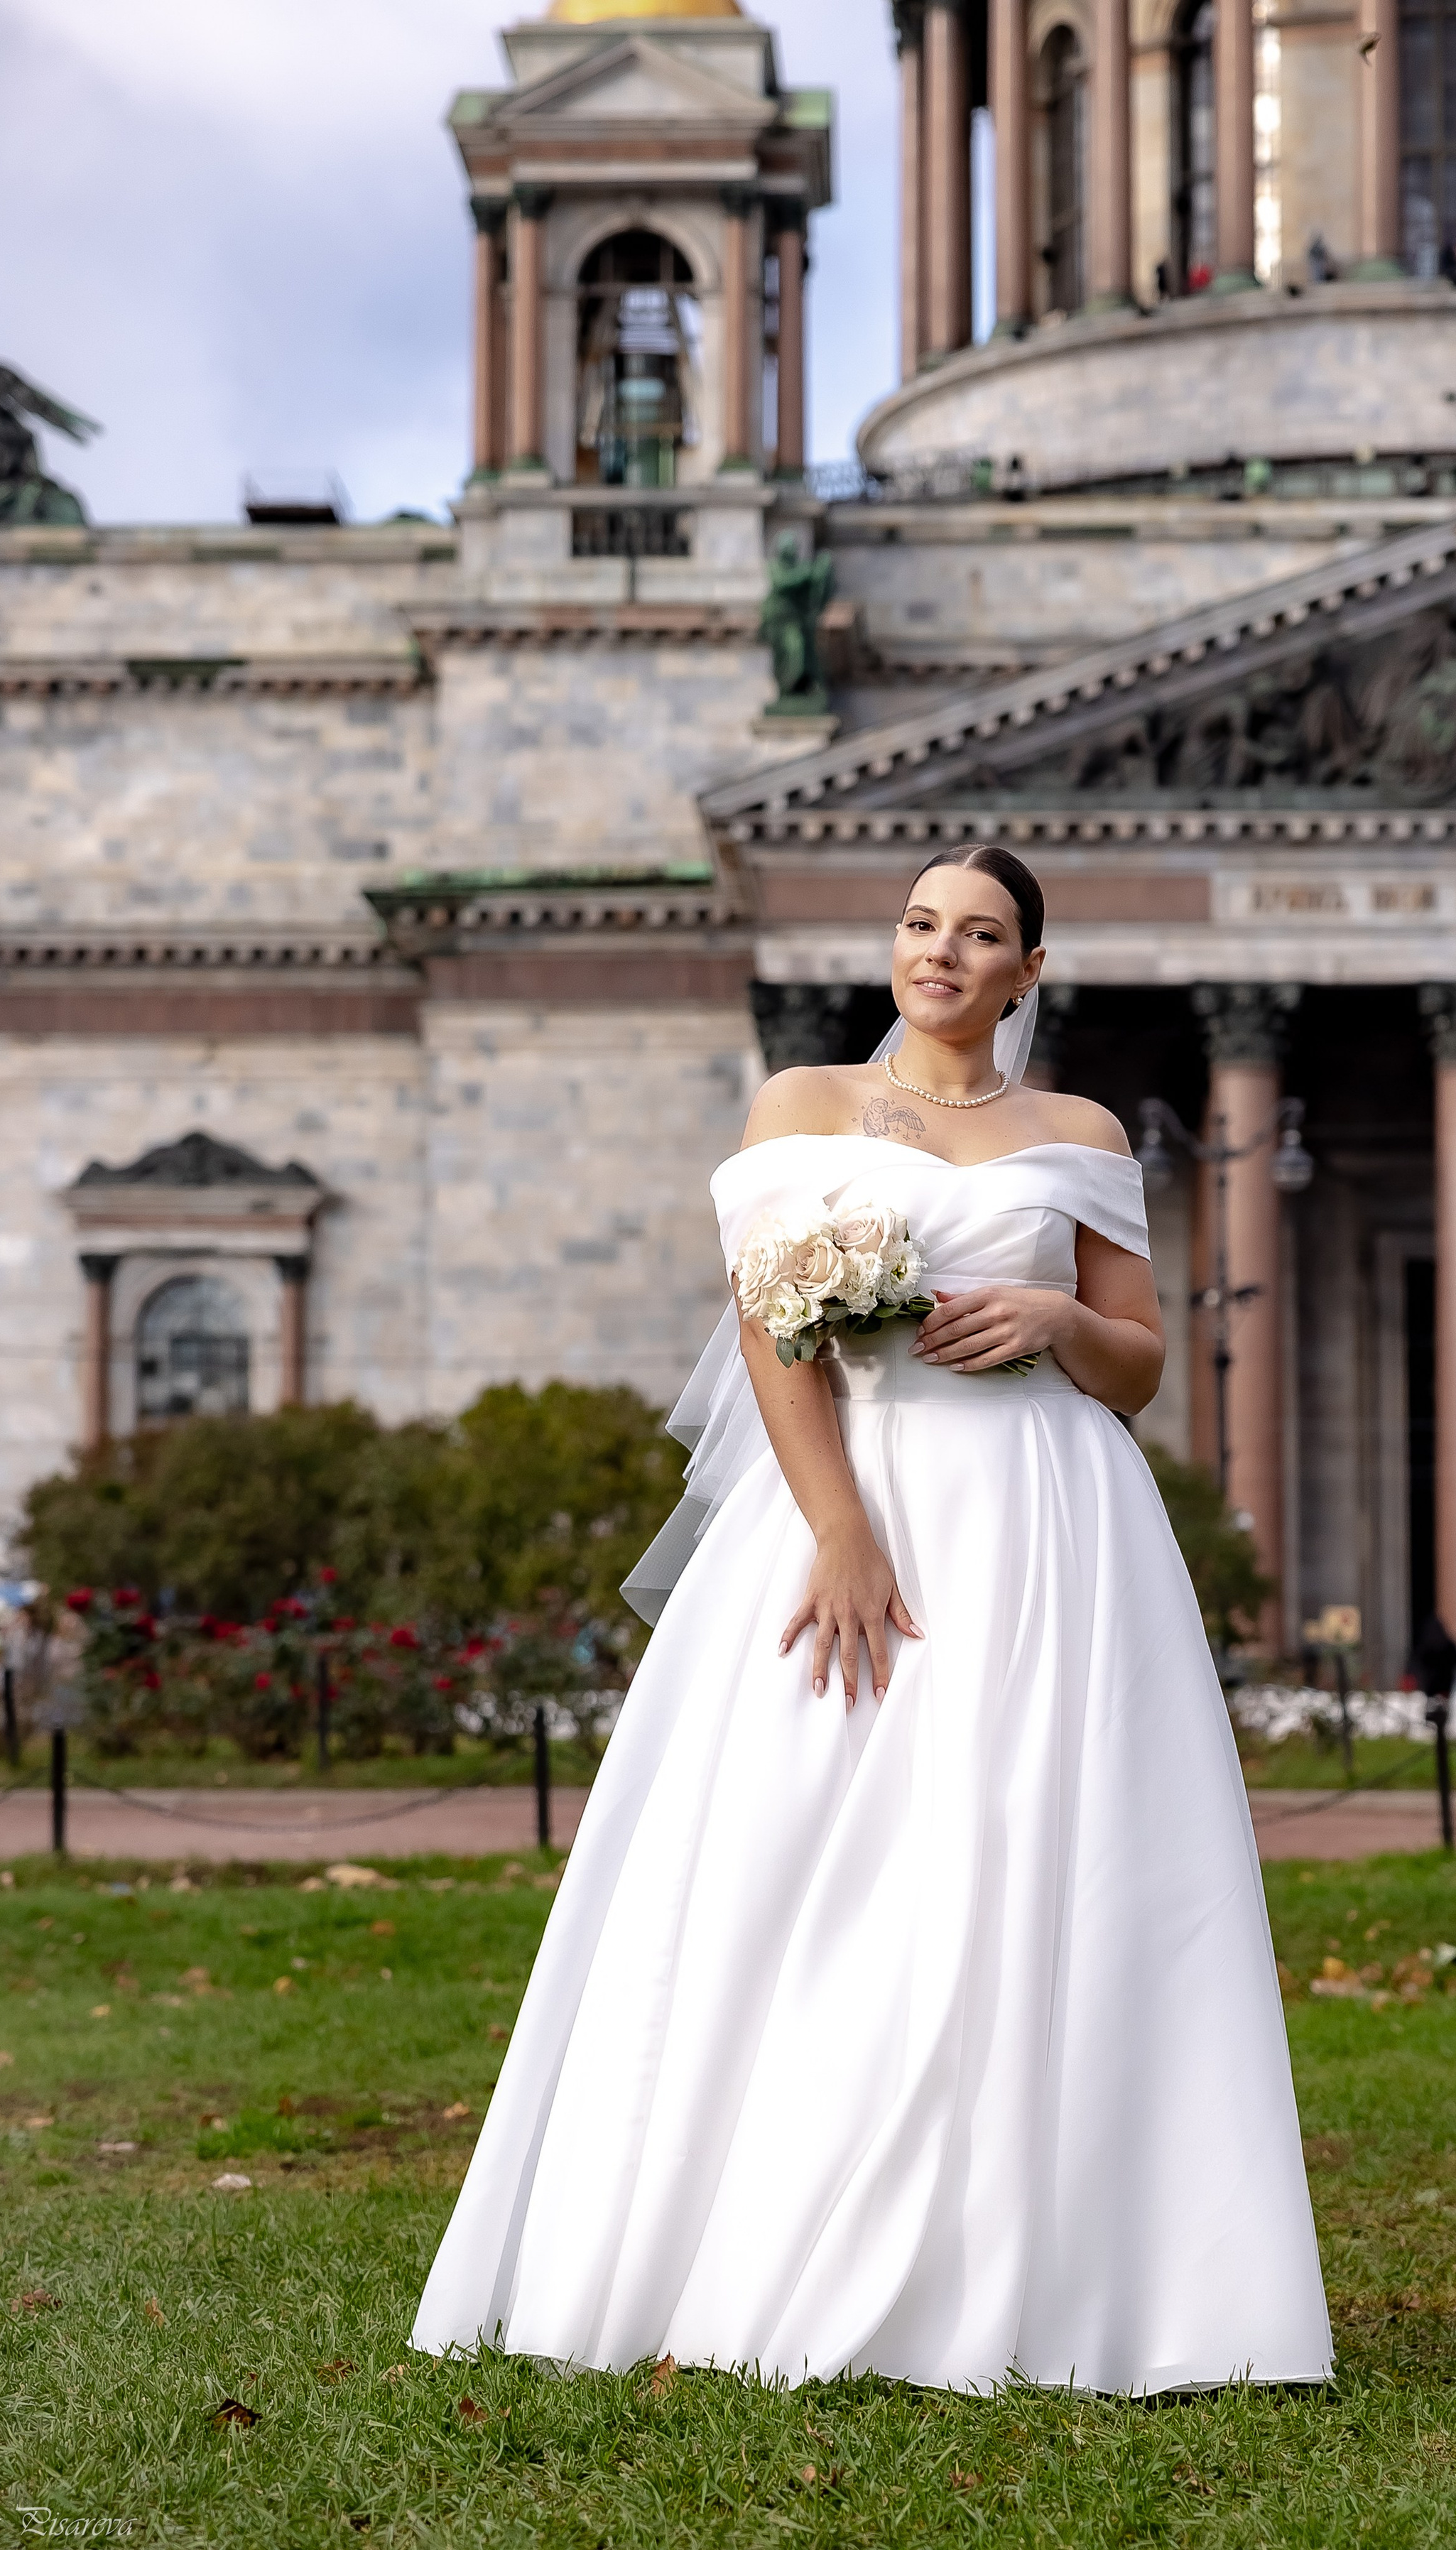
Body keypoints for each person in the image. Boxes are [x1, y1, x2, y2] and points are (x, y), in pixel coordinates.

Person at [413, 844, 1333, 2396]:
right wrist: (839, 1528)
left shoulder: (1083, 1134)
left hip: (1048, 1515)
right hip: (854, 1503)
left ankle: (1058, 2261)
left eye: (978, 933)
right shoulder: (804, 1103)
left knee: (1034, 1842)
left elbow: (1138, 1362)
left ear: (1027, 969)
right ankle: (753, 2239)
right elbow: (773, 1331)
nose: (940, 952)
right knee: (809, 1846)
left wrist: (1059, 1317)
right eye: (919, 923)